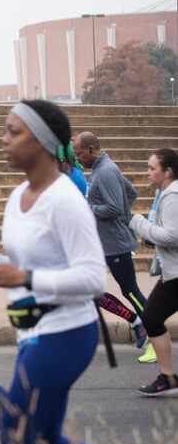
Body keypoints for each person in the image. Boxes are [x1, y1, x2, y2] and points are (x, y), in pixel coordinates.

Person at [0, 99, 165, 444]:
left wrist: (25, 277)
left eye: (13, 131)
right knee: (43, 441)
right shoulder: (17, 197)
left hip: (65, 334)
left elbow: (93, 278)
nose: (2, 138)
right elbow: (24, 268)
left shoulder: (65, 200)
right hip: (33, 333)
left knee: (15, 435)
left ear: (42, 141)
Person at [58, 146, 149, 344]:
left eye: (80, 154)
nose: (79, 158)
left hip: (112, 242)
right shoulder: (96, 172)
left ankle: (154, 330)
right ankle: (137, 322)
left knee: (130, 291)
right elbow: (130, 193)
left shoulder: (91, 174)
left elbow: (112, 206)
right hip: (99, 241)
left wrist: (118, 220)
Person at [129, 148, 178, 396]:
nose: (147, 173)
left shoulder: (172, 195)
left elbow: (172, 236)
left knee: (151, 317)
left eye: (152, 168)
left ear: (167, 171)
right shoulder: (167, 193)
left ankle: (168, 377)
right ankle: (167, 376)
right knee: (151, 317)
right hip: (173, 272)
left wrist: (139, 224)